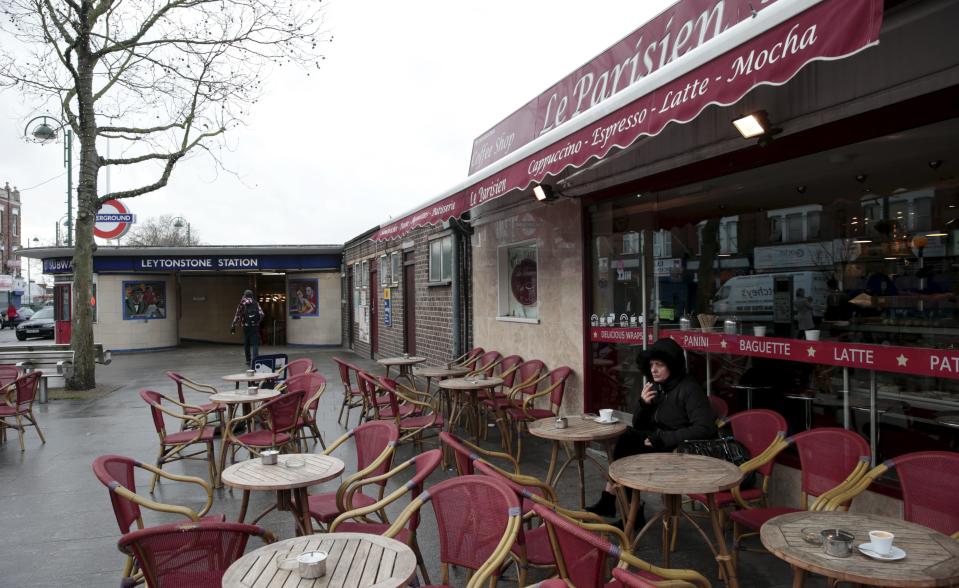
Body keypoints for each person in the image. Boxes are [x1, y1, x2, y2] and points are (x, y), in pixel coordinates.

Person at [587, 337, 717, 520]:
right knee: (628, 440)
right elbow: (639, 425)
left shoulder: (689, 389)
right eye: (651, 365)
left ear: (672, 366)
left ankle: (624, 508)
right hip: (660, 440)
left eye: (659, 365)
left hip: (680, 449)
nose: (653, 369)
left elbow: (705, 428)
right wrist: (643, 404)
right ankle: (619, 504)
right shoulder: (660, 387)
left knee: (629, 450)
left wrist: (663, 438)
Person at [231, 289, 264, 365]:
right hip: (255, 326)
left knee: (246, 343)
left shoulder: (242, 303)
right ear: (252, 295)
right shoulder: (256, 303)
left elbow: (237, 315)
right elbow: (262, 314)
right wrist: (257, 322)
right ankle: (255, 360)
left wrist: (233, 326)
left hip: (246, 327)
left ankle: (248, 360)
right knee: (255, 344)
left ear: (245, 295)